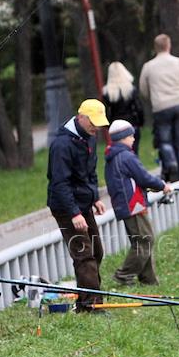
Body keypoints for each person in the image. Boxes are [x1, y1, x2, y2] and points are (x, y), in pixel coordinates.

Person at [47, 100, 109, 312]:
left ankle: (84, 302)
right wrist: (74, 213)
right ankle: (93, 306)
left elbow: (90, 172)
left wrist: (95, 198)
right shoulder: (62, 145)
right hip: (66, 207)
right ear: (81, 117)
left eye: (99, 123)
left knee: (97, 251)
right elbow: (60, 183)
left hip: (83, 203)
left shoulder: (89, 137)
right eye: (93, 122)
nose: (96, 128)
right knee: (84, 255)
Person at [105, 120, 171, 286]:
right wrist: (162, 185)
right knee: (145, 240)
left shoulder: (113, 156)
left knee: (142, 240)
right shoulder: (126, 156)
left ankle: (148, 279)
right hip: (133, 205)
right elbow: (143, 177)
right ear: (123, 138)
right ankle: (124, 274)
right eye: (131, 136)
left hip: (125, 204)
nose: (134, 138)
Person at [138, 35, 179, 180]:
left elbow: (143, 89)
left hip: (161, 107)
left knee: (165, 141)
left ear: (155, 47)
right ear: (168, 45)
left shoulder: (148, 67)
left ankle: (171, 165)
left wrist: (153, 100)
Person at [102, 62, 145, 155]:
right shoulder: (130, 89)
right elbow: (139, 107)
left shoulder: (107, 92)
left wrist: (108, 125)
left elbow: (105, 111)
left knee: (119, 152)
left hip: (116, 126)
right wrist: (141, 122)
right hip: (131, 123)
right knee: (134, 151)